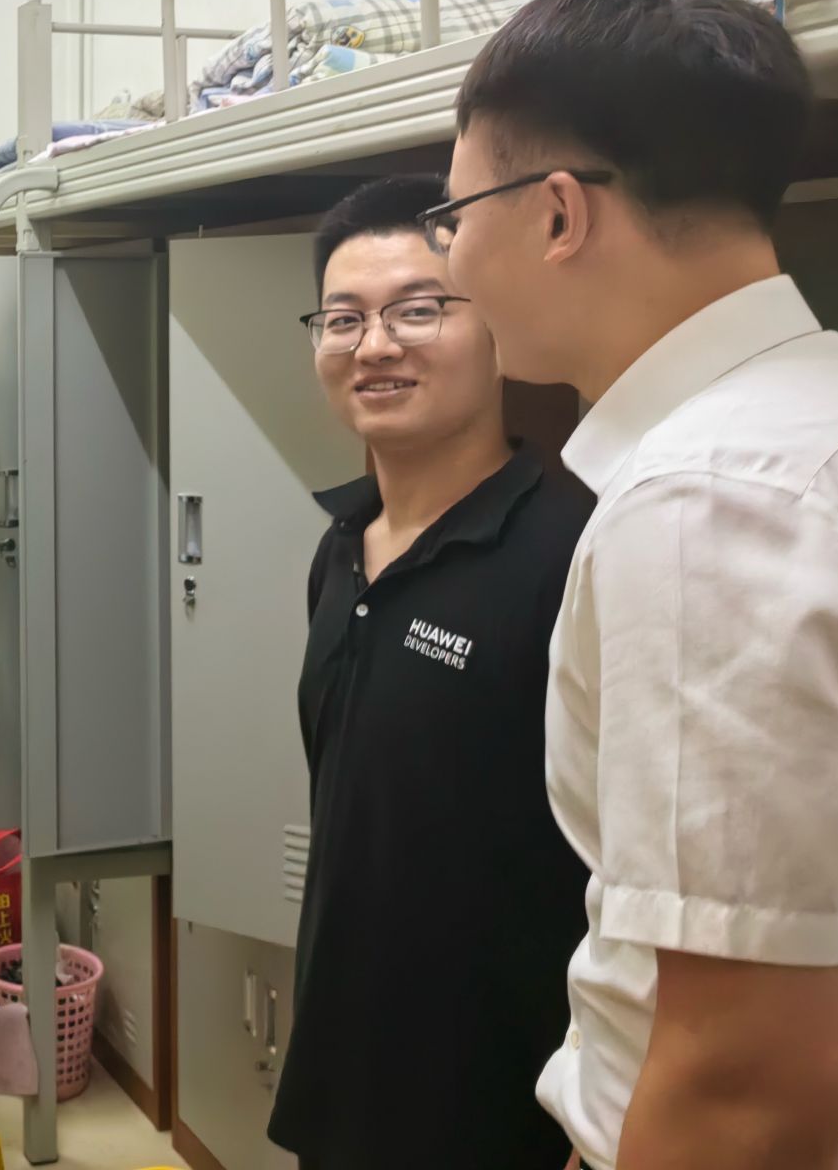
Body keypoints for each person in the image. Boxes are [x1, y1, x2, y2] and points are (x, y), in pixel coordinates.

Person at [433, 0, 838, 1169]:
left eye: (456, 215)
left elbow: (742, 1086)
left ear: (555, 216)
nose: (452, 262)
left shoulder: (710, 503)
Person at [265, 176, 592, 1170]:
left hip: (502, 1107)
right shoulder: (339, 551)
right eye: (342, 319)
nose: (373, 345)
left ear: (494, 328)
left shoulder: (571, 554)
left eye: (416, 310)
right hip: (346, 1085)